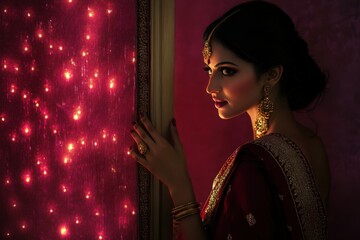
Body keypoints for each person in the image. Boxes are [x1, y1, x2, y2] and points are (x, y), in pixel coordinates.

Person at [129, 1, 330, 239]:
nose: (210, 87)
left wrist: (178, 183)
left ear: (272, 75)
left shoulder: (254, 164)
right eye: (210, 70)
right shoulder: (313, 145)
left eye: (227, 71)